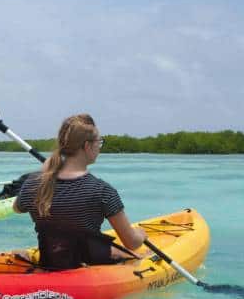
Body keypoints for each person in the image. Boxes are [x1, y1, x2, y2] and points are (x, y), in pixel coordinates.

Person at [14, 114, 145, 269]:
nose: (99, 147)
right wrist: (141, 234)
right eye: (99, 142)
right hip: (89, 269)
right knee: (142, 255)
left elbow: (17, 208)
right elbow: (132, 243)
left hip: (50, 263)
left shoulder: (33, 183)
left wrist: (43, 172)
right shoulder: (102, 191)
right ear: (87, 146)